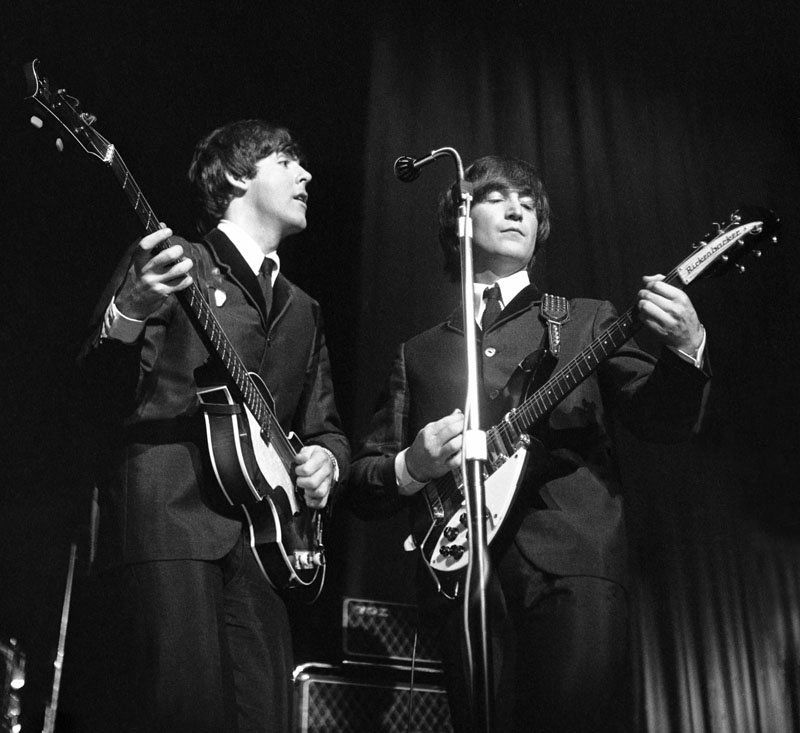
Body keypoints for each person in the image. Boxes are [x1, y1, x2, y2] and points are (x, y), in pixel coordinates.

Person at [348, 155, 710, 732]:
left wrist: (688, 347)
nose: (519, 208)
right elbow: (365, 484)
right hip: (463, 582)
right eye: (496, 197)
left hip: (573, 565)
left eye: (530, 204)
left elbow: (661, 420)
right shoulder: (419, 352)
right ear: (460, 221)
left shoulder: (587, 319)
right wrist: (412, 464)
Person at [75, 120, 349, 732]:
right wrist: (131, 309)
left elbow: (323, 424)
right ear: (234, 175)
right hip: (168, 520)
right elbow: (90, 396)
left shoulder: (304, 308)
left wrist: (328, 461)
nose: (306, 175)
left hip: (263, 543)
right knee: (182, 713)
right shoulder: (173, 264)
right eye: (287, 160)